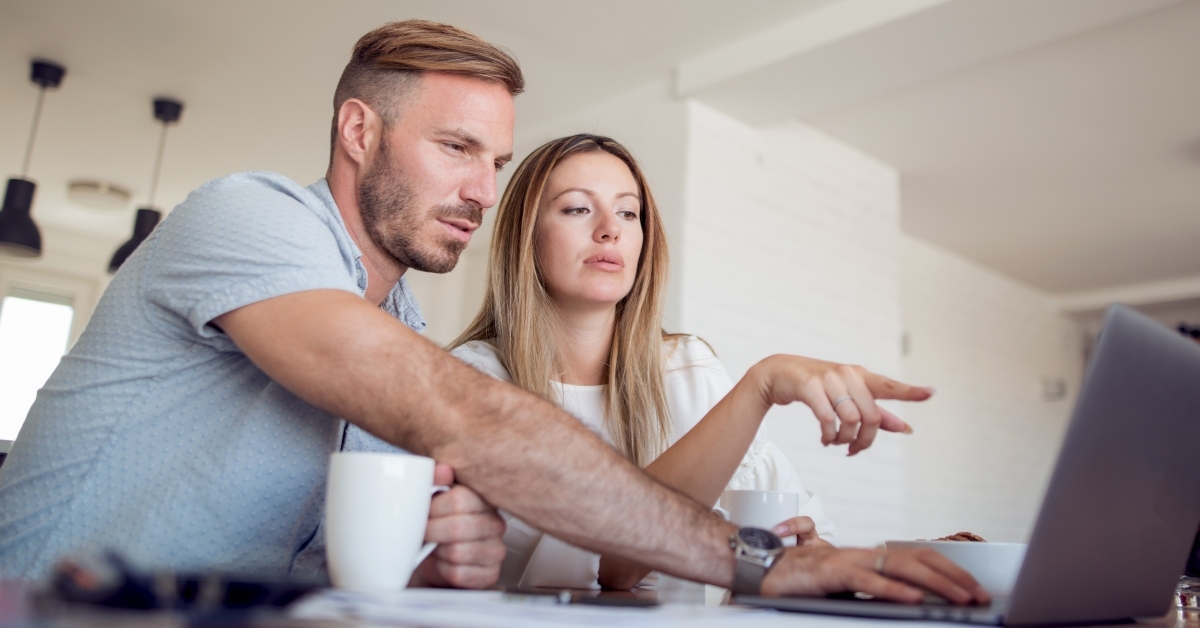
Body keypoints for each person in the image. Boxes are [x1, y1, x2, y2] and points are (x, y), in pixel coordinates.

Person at [0, 19, 988, 605]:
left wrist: (433, 571)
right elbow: (459, 413)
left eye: (497, 162)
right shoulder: (251, 216)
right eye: (457, 148)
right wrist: (759, 563)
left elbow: (345, 568)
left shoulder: (411, 330)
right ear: (359, 129)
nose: (482, 187)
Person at [445, 134, 918, 590]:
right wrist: (761, 384)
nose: (610, 228)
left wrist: (808, 551)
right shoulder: (471, 379)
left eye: (629, 212)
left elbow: (799, 526)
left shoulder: (689, 370)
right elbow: (616, 561)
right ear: (525, 238)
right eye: (577, 208)